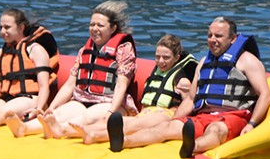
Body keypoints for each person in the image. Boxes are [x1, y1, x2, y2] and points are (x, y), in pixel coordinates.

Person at [107, 16, 270, 158]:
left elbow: (265, 95)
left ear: (233, 38)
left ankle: (192, 147)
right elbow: (192, 99)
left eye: (218, 36)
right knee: (166, 127)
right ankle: (123, 141)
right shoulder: (203, 64)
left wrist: (252, 124)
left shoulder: (247, 61)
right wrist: (175, 119)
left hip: (233, 116)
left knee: (215, 130)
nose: (212, 39)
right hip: (203, 116)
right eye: (210, 35)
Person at [6, 0, 138, 138]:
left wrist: (111, 112)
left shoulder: (124, 49)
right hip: (83, 98)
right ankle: (24, 128)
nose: (94, 29)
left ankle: (60, 130)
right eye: (92, 24)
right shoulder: (84, 50)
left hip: (111, 103)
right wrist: (51, 108)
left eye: (100, 25)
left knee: (88, 116)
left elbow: (121, 85)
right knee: (59, 114)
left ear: (113, 28)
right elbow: (70, 84)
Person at [70, 34, 198, 146]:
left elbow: (188, 104)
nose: (160, 61)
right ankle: (81, 130)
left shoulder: (181, 79)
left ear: (176, 58)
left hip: (165, 114)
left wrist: (176, 120)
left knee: (133, 125)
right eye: (157, 57)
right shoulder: (157, 72)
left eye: (166, 58)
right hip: (147, 112)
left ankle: (94, 136)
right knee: (118, 121)